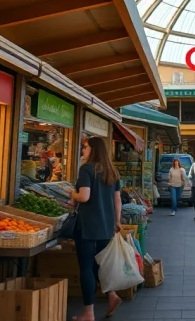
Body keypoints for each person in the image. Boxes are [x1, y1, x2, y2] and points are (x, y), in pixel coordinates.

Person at [69, 136, 122, 321]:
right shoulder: (112, 171)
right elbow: (117, 199)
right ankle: (112, 295)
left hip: (88, 226)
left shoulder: (87, 169)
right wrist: (117, 221)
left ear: (93, 149)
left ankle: (88, 313)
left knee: (86, 267)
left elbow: (84, 196)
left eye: (85, 147)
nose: (83, 150)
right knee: (100, 265)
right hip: (106, 226)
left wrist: (72, 193)